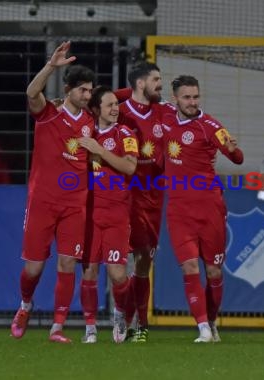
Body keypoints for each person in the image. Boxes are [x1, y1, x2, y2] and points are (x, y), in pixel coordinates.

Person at [10, 41, 96, 343]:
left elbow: (117, 103)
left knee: (68, 262)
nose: (87, 96)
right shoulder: (49, 114)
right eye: (82, 90)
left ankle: (57, 327)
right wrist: (50, 66)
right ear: (69, 89)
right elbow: (31, 93)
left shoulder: (90, 123)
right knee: (33, 268)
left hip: (75, 204)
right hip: (43, 202)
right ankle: (25, 306)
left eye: (90, 91)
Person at [160, 75, 244, 342]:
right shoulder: (164, 115)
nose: (192, 102)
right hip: (178, 210)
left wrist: (233, 150)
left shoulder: (210, 126)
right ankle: (203, 328)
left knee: (214, 271)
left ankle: (212, 322)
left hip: (209, 208)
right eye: (187, 97)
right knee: (189, 268)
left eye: (196, 97)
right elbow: (135, 99)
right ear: (175, 98)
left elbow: (237, 158)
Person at [78, 86, 139, 344]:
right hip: (89, 214)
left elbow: (129, 166)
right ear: (96, 110)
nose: (116, 109)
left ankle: (120, 313)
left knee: (117, 275)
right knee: (89, 272)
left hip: (116, 214)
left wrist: (100, 151)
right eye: (110, 105)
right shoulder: (84, 134)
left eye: (117, 104)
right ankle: (90, 328)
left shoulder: (125, 133)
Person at [115, 62, 165, 343]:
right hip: (126, 194)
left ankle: (134, 322)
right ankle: (130, 321)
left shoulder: (165, 110)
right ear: (140, 84)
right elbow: (100, 98)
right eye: (155, 79)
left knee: (145, 260)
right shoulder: (118, 112)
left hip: (155, 195)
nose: (160, 84)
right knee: (123, 259)